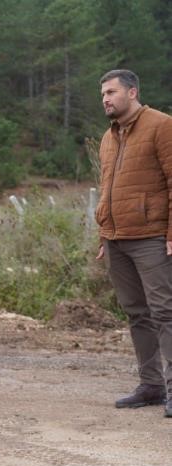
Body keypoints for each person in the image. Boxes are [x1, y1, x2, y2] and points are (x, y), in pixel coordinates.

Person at [95, 69, 172, 418]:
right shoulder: (108, 137)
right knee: (137, 313)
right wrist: (103, 234)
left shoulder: (161, 125)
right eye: (102, 95)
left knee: (165, 312)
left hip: (152, 236)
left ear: (133, 92)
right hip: (116, 240)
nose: (106, 100)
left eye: (111, 92)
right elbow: (108, 188)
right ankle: (151, 384)